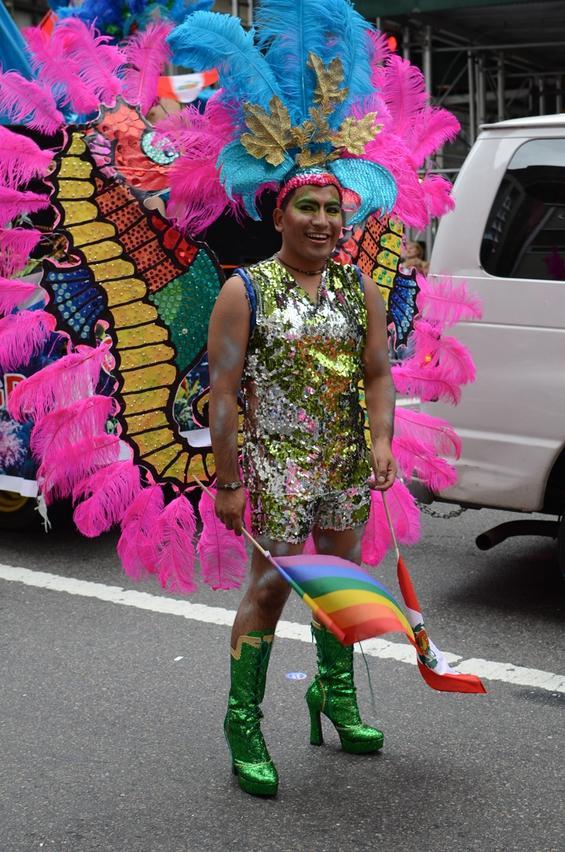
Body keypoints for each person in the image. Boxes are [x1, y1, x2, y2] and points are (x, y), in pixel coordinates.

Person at [207, 170, 397, 797]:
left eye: (334, 210)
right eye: (307, 208)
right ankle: (243, 723)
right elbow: (226, 394)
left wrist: (381, 440)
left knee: (340, 588)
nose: (323, 221)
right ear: (279, 216)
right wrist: (229, 481)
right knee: (268, 593)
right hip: (275, 469)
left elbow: (376, 373)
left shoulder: (357, 286)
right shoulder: (245, 290)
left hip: (343, 464)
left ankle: (334, 694)